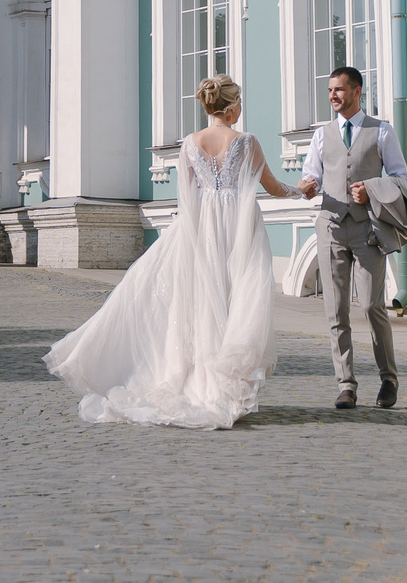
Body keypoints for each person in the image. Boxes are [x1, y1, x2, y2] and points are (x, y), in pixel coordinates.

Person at [44, 74, 295, 428]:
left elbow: (186, 198)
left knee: (201, 306)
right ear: (233, 106)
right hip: (238, 230)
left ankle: (203, 382)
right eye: (240, 103)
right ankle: (221, 390)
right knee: (234, 302)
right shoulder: (246, 141)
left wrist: (188, 239)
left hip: (200, 231)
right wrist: (303, 190)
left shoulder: (190, 144)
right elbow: (272, 186)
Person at [298, 65, 407, 410]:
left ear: (357, 92)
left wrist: (372, 190)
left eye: (339, 90)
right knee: (336, 311)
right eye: (330, 90)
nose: (333, 96)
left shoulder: (381, 132)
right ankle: (346, 384)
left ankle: (388, 379)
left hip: (367, 231)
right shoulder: (322, 135)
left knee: (372, 306)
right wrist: (307, 187)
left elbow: (402, 180)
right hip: (330, 228)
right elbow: (310, 175)